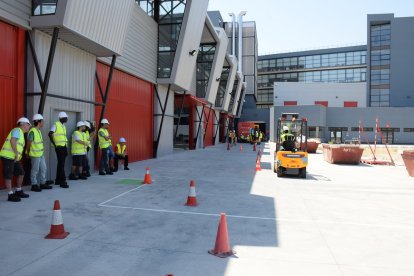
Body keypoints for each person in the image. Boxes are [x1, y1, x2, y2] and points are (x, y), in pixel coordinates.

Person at [0, 117, 31, 202]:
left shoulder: (20, 133)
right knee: (8, 175)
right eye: (28, 124)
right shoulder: (17, 130)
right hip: (8, 156)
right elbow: (12, 141)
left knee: (21, 173)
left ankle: (18, 190)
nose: (29, 126)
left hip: (14, 158)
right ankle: (10, 194)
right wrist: (16, 153)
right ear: (23, 124)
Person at [26, 114, 52, 192]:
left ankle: (42, 183)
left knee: (43, 168)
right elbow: (28, 143)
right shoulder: (32, 131)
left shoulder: (38, 131)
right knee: (35, 170)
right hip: (34, 155)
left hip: (40, 154)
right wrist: (27, 153)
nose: (43, 123)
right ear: (38, 122)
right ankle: (34, 185)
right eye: (42, 121)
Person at [48, 112, 69, 188]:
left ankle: (57, 180)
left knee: (60, 164)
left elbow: (63, 138)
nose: (67, 119)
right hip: (59, 147)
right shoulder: (56, 124)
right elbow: (50, 134)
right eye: (66, 117)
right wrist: (55, 145)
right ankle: (63, 181)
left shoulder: (63, 126)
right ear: (62, 118)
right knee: (61, 164)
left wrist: (66, 149)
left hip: (63, 147)